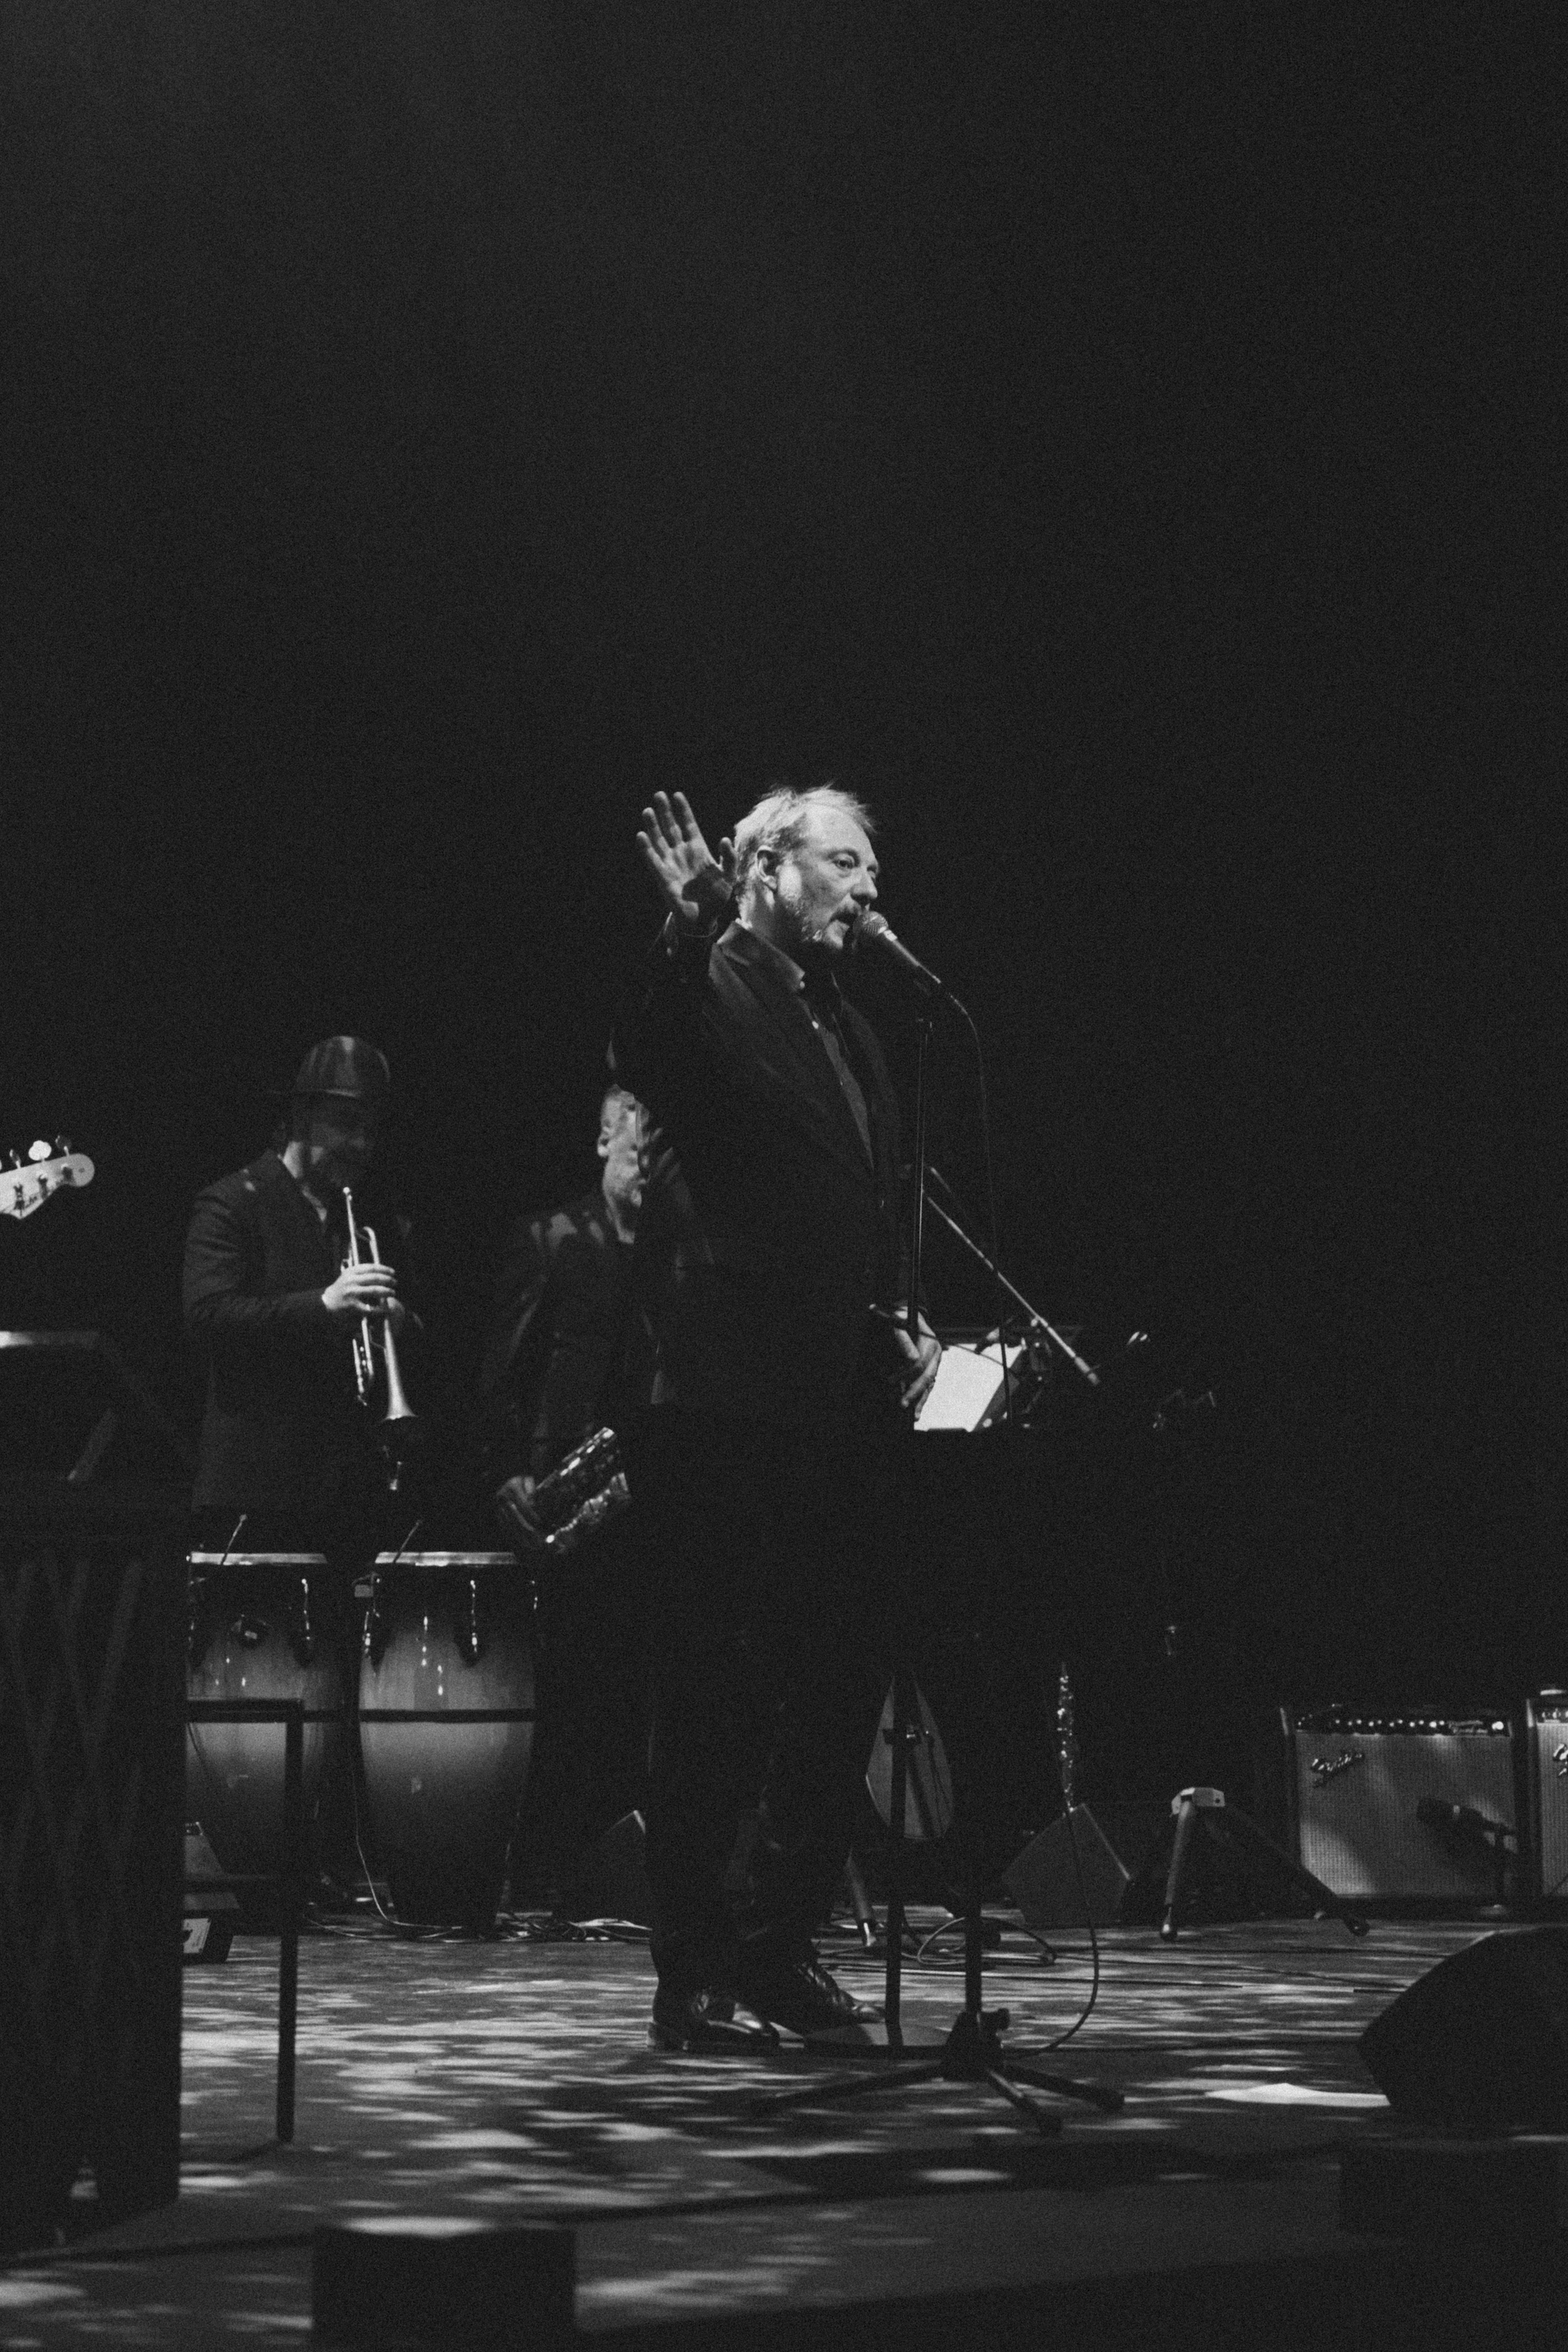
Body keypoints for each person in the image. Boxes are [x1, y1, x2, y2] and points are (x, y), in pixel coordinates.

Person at [613, 784, 941, 2051]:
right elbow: (652, 1041)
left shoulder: (849, 1019)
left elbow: (855, 1191)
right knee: (713, 1685)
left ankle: (774, 1942)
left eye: (872, 864)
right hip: (725, 1389)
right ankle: (694, 1964)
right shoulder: (709, 978)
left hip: (841, 1391)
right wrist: (691, 919)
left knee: (847, 1660)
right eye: (843, 862)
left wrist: (898, 1313)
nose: (868, 885)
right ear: (765, 866)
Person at [477, 1083, 665, 1902]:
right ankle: (550, 1875)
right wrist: (506, 1471)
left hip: (659, 1492)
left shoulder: (676, 1251)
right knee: (575, 1697)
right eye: (634, 1151)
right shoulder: (551, 1239)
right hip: (576, 1498)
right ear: (601, 1143)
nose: (647, 1170)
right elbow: (501, 1375)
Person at [183, 1035, 406, 1543]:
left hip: (346, 1494)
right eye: (346, 1125)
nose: (362, 1145)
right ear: (302, 1118)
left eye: (371, 1130)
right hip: (255, 1493)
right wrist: (324, 1306)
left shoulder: (371, 1218)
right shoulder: (233, 1201)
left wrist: (398, 1322)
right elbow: (208, 1316)